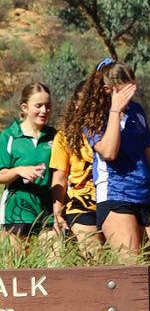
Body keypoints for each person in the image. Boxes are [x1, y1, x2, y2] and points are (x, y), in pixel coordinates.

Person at [64, 59, 150, 258]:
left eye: (133, 88)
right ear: (108, 90)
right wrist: (115, 111)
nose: (131, 95)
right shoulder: (93, 117)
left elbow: (149, 157)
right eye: (126, 90)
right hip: (115, 194)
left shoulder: (137, 111)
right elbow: (109, 153)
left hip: (145, 196)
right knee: (132, 264)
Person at [0, 81, 57, 255]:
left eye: (48, 106)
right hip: (16, 212)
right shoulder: (9, 136)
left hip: (47, 211)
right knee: (15, 265)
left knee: (54, 263)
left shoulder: (54, 136)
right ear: (24, 107)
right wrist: (18, 170)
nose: (44, 111)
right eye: (38, 106)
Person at [50, 80, 105, 258]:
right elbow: (59, 177)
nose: (89, 108)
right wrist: (57, 213)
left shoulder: (109, 131)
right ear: (75, 104)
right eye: (84, 102)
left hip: (110, 200)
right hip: (80, 204)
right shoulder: (64, 136)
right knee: (95, 256)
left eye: (94, 102)